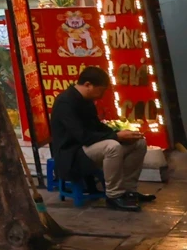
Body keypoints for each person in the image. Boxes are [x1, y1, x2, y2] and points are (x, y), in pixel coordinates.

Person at [51, 66, 152, 209]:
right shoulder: (65, 102)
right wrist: (116, 136)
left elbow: (97, 127)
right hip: (72, 154)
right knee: (112, 146)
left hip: (88, 148)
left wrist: (124, 134)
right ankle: (114, 196)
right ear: (88, 85)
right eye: (101, 90)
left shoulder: (86, 101)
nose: (102, 94)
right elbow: (83, 136)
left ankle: (129, 191)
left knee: (139, 143)